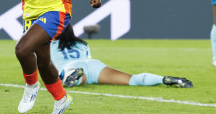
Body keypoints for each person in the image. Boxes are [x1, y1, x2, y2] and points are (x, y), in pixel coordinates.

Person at [51, 24, 193, 88]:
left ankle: (75, 76)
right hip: (94, 65)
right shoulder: (82, 44)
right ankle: (163, 79)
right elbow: (87, 59)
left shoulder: (47, 45)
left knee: (69, 78)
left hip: (70, 66)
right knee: (132, 79)